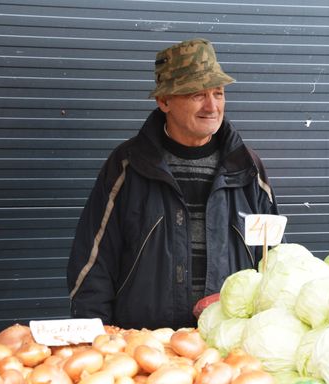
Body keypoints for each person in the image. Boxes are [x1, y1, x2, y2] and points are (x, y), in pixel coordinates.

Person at [67, 38, 280, 330]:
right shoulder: (127, 166)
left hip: (227, 348)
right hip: (145, 348)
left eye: (218, 93)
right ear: (164, 100)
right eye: (197, 94)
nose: (212, 106)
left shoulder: (247, 168)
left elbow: (275, 264)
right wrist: (94, 339)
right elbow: (92, 263)